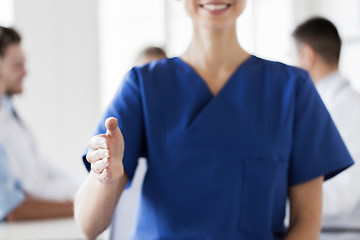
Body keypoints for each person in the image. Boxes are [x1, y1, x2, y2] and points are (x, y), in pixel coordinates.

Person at [75, 1, 354, 239]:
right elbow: (89, 226)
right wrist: (105, 177)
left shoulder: (293, 89)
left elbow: (306, 223)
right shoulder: (144, 86)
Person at [0, 26, 79, 221]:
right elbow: (11, 208)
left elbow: (42, 175)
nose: (25, 73)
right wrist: (84, 207)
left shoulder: (10, 114)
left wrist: (87, 193)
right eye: (17, 65)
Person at [292, 17, 360, 238]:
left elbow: (345, 191)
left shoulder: (348, 108)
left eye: (293, 56)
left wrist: (284, 199)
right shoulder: (332, 104)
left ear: (306, 55)